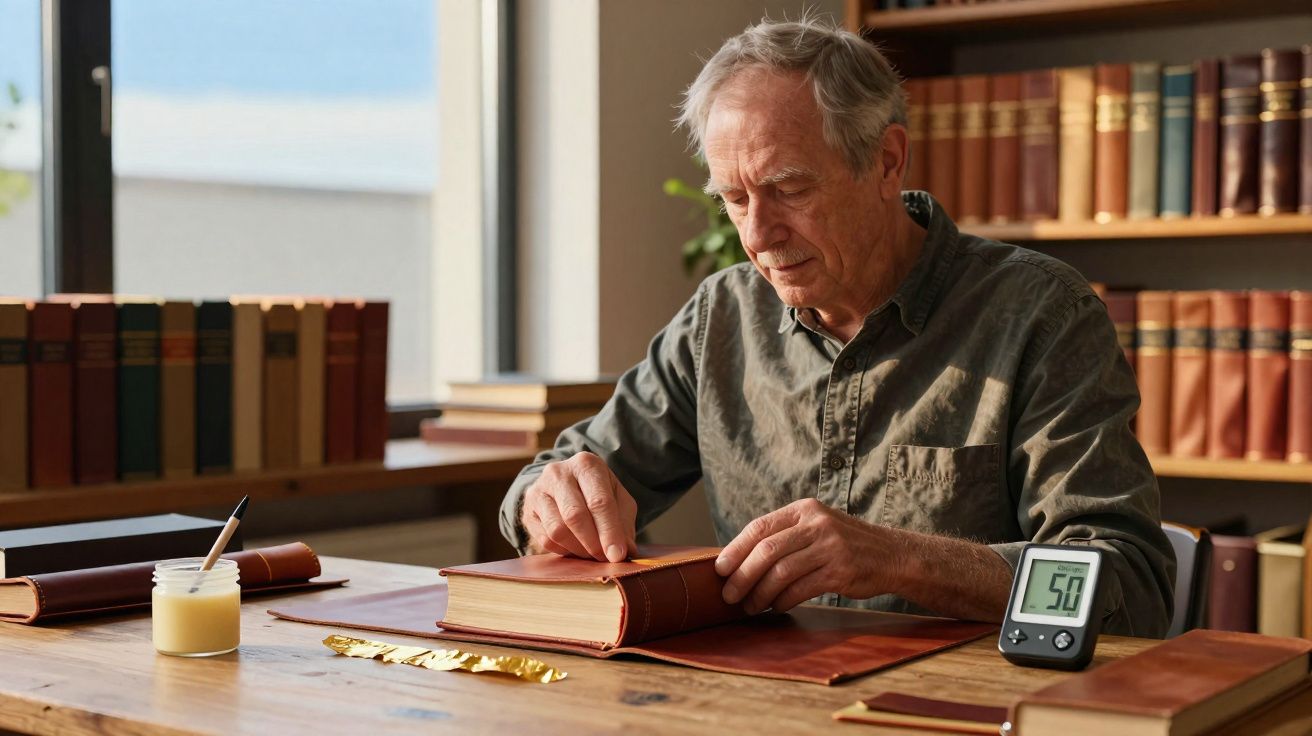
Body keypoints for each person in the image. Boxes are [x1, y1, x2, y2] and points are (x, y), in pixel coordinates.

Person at [498, 15, 1175, 637]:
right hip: (757, 699)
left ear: (886, 161)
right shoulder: (722, 317)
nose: (757, 235)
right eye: (734, 198)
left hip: (958, 703)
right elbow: (550, 480)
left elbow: (1130, 586)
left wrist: (899, 560)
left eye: (790, 190)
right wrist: (547, 500)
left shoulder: (1041, 314)